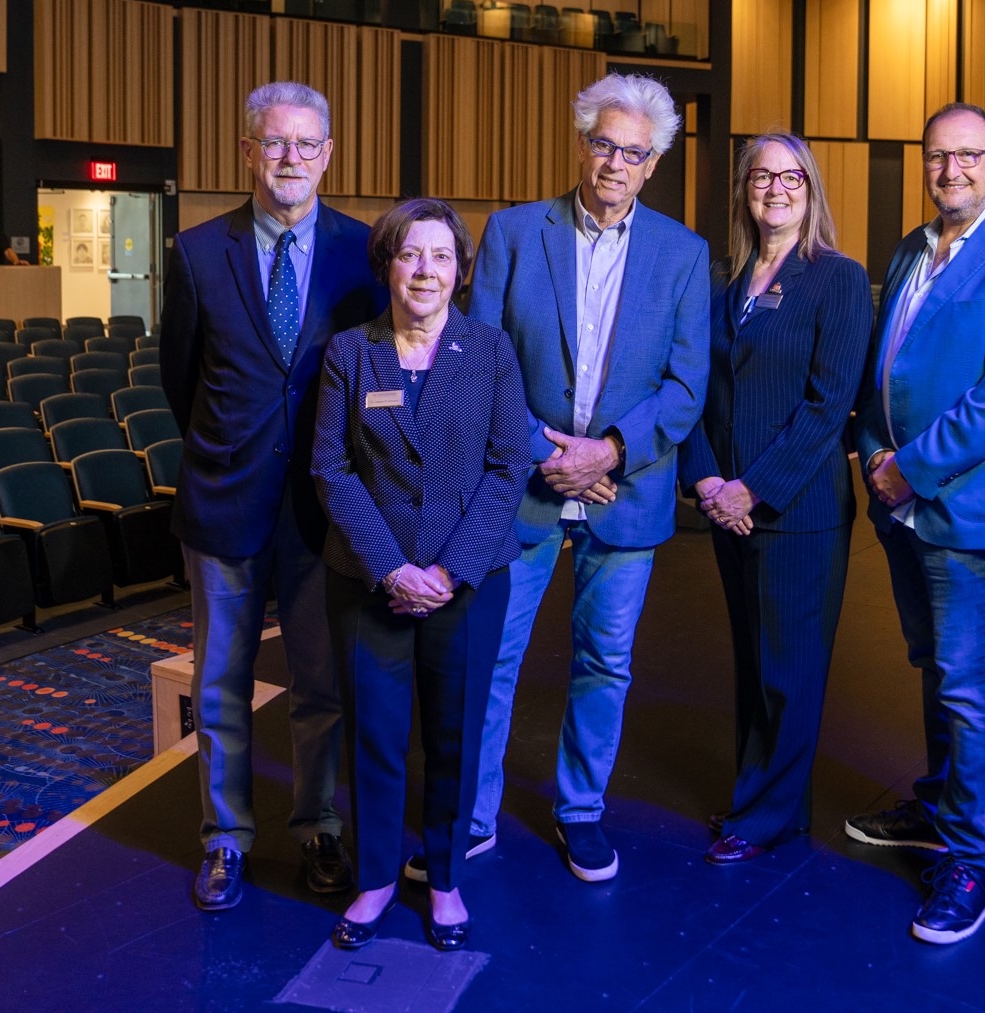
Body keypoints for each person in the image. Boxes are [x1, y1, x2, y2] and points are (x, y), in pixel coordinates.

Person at [466, 72, 709, 883]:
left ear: (653, 163)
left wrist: (605, 451)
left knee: (605, 659)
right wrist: (548, 454)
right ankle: (471, 811)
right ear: (582, 143)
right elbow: (482, 361)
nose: (614, 162)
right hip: (524, 485)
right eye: (603, 143)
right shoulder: (511, 232)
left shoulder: (684, 253)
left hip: (624, 490)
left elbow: (685, 386)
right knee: (494, 653)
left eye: (633, 152)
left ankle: (580, 809)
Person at [845, 102, 985, 946]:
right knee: (931, 662)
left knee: (970, 687)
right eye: (938, 158)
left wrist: (911, 467)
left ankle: (974, 861)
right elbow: (887, 363)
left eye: (968, 157)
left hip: (965, 504)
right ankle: (939, 806)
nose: (952, 171)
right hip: (899, 494)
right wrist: (874, 453)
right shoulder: (913, 246)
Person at [160, 81, 385, 912]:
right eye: (274, 143)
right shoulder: (195, 250)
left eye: (306, 144)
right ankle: (226, 838)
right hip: (224, 500)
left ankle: (317, 826)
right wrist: (229, 450)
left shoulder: (366, 252)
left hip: (325, 510)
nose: (290, 158)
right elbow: (178, 379)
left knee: (321, 684)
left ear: (328, 153)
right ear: (248, 151)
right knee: (220, 680)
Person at [312, 199, 532, 953]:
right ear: (388, 265)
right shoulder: (350, 352)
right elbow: (332, 471)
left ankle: (443, 879)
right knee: (373, 732)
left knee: (454, 732)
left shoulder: (492, 350)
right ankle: (375, 877)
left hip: (466, 584)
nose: (426, 271)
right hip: (370, 581)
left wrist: (448, 568)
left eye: (441, 256)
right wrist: (393, 568)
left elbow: (510, 467)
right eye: (410, 254)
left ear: (461, 270)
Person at [679, 133, 872, 865]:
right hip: (725, 502)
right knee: (752, 659)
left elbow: (829, 408)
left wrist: (751, 491)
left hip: (797, 511)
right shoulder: (724, 284)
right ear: (745, 190)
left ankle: (771, 813)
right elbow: (693, 392)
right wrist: (706, 482)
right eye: (762, 176)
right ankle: (761, 796)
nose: (776, 188)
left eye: (791, 176)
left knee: (790, 666)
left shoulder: (838, 279)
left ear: (811, 188)